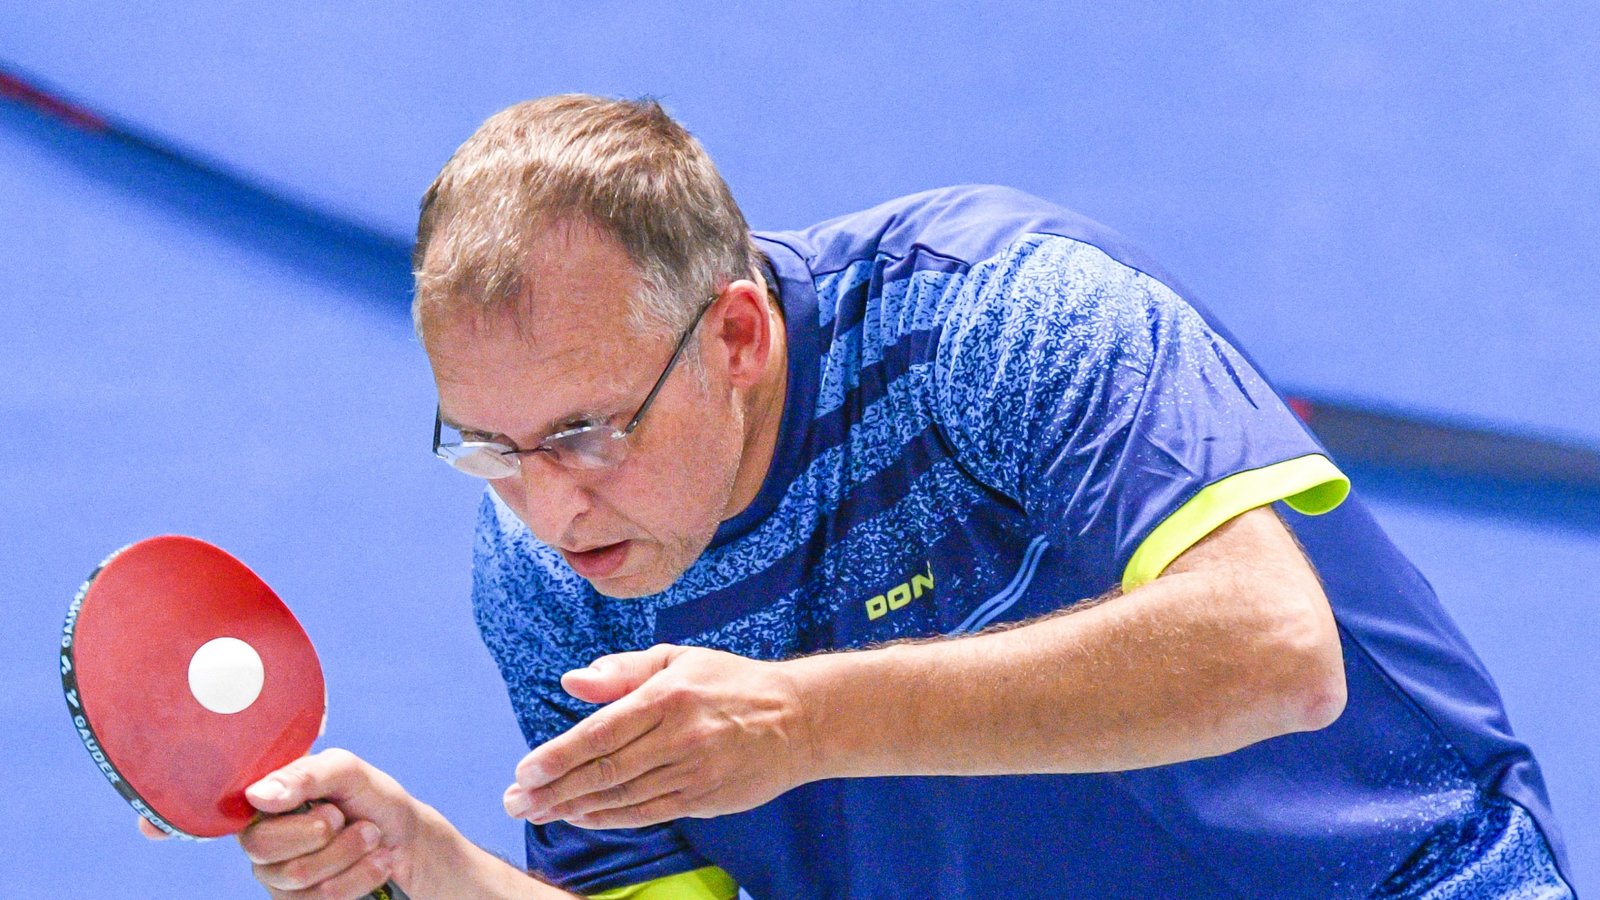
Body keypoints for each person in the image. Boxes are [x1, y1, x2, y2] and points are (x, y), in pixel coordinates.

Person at [181, 95, 1571, 898]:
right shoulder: (545, 580)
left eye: (588, 430)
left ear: (733, 335)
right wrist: (425, 866)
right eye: (487, 446)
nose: (548, 506)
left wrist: (803, 721)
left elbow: (1278, 651)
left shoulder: (998, 320)